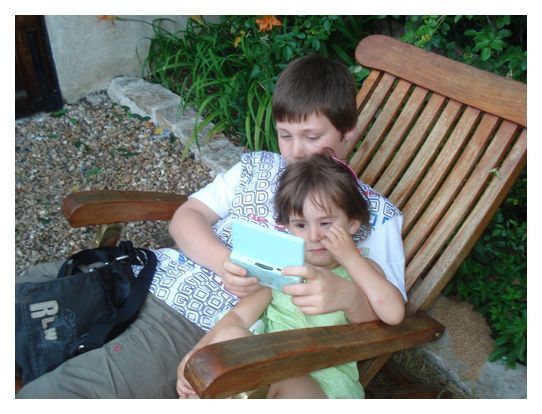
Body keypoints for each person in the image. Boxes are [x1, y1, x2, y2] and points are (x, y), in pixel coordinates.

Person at [16, 54, 406, 398]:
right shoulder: (259, 166)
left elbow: (385, 317)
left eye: (313, 137)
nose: (297, 151)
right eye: (286, 136)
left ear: (348, 131)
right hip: (147, 275)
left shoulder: (373, 215)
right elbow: (186, 217)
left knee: (60, 395)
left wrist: (346, 293)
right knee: (21, 296)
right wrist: (224, 262)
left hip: (196, 320)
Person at [177, 152, 405, 399]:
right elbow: (238, 318)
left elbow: (393, 314)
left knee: (278, 378)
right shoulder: (281, 266)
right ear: (287, 228)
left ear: (352, 224)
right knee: (230, 340)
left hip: (320, 382)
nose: (314, 236)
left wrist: (351, 259)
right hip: (266, 368)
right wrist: (196, 357)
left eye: (326, 223)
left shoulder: (362, 270)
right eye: (301, 225)